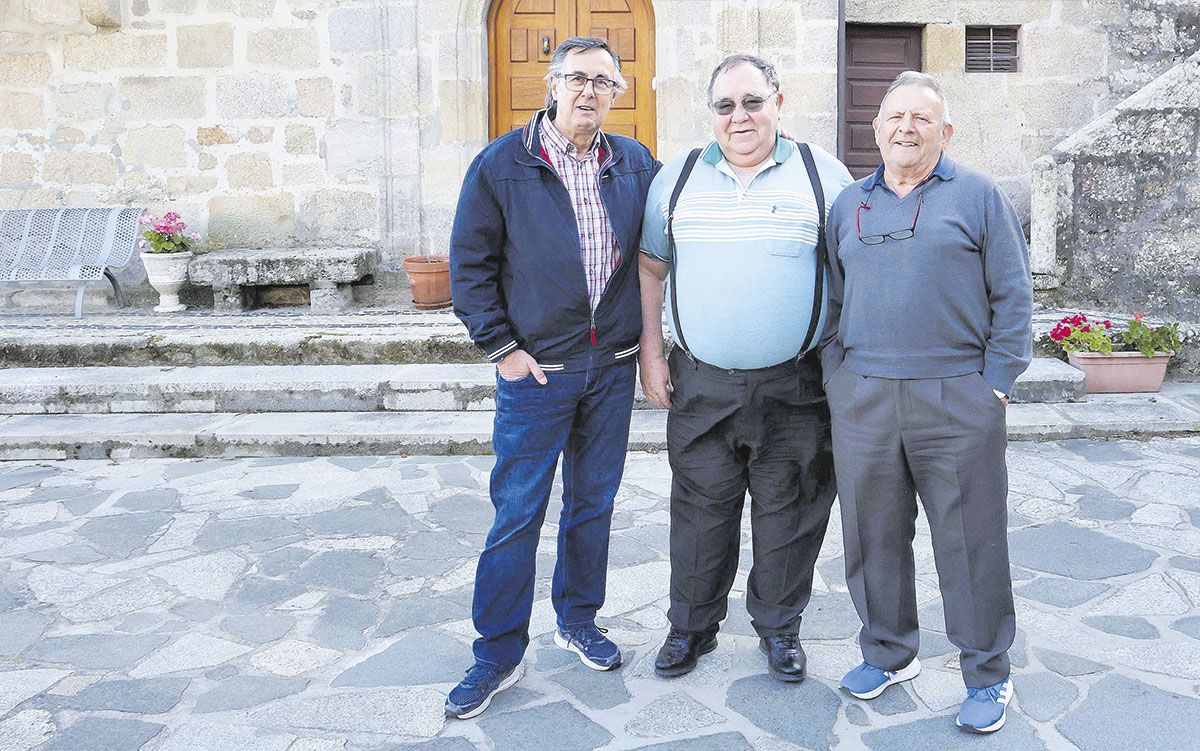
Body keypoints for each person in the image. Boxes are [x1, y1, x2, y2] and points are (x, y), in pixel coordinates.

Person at [445, 36, 658, 719]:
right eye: (577, 78)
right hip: (537, 372)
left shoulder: (634, 164)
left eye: (604, 81)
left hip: (612, 369)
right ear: (553, 85)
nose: (589, 91)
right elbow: (469, 266)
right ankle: (497, 651)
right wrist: (503, 347)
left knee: (591, 504)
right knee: (518, 512)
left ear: (618, 93)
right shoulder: (502, 164)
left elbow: (660, 249)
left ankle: (578, 619)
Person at [820, 70, 1032, 733]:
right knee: (871, 533)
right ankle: (888, 652)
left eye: (921, 117)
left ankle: (986, 671)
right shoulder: (848, 203)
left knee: (971, 540)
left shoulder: (978, 196)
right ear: (876, 128)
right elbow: (829, 298)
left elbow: (1013, 294)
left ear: (945, 132)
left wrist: (994, 382)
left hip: (958, 396)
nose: (905, 127)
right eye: (894, 116)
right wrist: (839, 379)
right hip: (865, 397)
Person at [638, 54, 853, 682]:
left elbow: (850, 270)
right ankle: (692, 627)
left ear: (778, 104)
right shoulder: (675, 178)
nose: (740, 116)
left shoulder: (823, 176)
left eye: (753, 102)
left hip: (795, 383)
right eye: (726, 105)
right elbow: (652, 270)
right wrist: (652, 354)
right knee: (700, 511)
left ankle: (779, 630)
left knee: (791, 511)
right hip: (699, 381)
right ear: (711, 114)